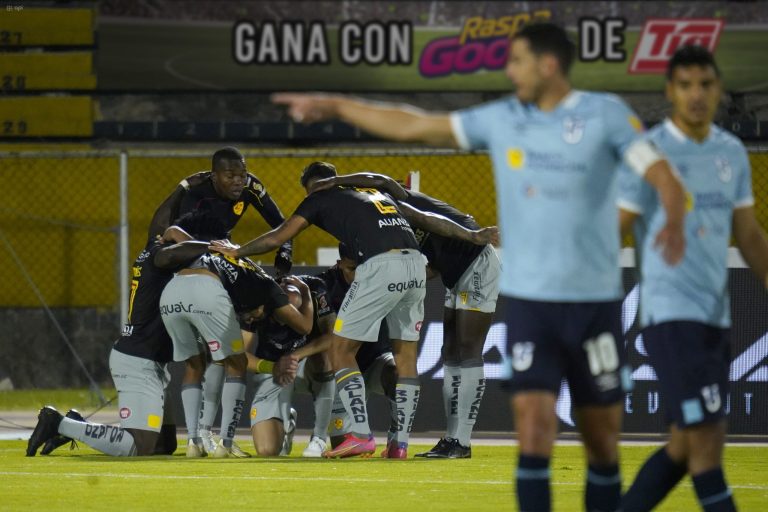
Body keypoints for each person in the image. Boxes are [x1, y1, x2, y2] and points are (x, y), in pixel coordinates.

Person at [273, 22, 687, 511]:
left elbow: (660, 175)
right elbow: (415, 124)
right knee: (530, 424)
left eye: (517, 61)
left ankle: (461, 441)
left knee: (599, 437)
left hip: (563, 285)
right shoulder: (505, 117)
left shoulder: (606, 115)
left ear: (548, 64)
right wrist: (338, 106)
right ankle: (457, 440)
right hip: (530, 294)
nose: (508, 71)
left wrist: (667, 220)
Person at [210, 161, 497, 458]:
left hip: (395, 264)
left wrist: (237, 251)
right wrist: (472, 235)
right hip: (416, 264)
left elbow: (278, 236)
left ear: (312, 186)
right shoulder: (378, 196)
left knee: (341, 349)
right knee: (409, 356)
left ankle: (362, 435)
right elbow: (423, 217)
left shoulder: (319, 197)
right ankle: (399, 445)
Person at [619, 45, 767, 512]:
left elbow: (748, 235)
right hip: (671, 315)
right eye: (686, 85)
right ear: (671, 92)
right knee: (706, 451)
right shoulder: (649, 154)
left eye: (705, 84)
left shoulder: (731, 153)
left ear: (718, 89)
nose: (697, 95)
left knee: (686, 447)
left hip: (715, 319)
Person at [311, 172, 500, 458]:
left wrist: (336, 181)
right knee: (450, 351)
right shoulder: (395, 227)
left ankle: (460, 441)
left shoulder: (402, 202)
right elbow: (434, 265)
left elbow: (381, 180)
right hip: (456, 275)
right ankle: (452, 439)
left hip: (477, 264)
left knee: (468, 350)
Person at [26, 211, 228, 457]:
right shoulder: (163, 256)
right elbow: (176, 240)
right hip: (138, 362)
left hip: (151, 362)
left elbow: (166, 228)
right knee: (138, 446)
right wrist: (216, 247)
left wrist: (184, 187)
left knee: (164, 445)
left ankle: (76, 424)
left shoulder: (162, 254)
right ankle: (56, 422)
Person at [149, 146, 294, 453]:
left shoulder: (252, 187)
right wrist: (209, 248)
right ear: (214, 175)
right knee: (229, 359)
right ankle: (219, 440)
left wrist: (285, 250)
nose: (239, 181)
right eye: (230, 175)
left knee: (205, 359)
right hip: (204, 271)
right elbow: (168, 231)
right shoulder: (194, 194)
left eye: (242, 174)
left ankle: (198, 439)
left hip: (206, 272)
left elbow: (282, 224)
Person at [159, 248, 313, 458]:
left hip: (171, 291)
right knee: (237, 363)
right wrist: (304, 290)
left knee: (195, 364)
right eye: (254, 318)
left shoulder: (242, 282)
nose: (249, 320)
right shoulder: (269, 289)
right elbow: (304, 326)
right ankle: (226, 443)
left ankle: (194, 441)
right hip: (206, 290)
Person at [320, 243, 399, 455]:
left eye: (362, 268)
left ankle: (396, 437)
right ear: (339, 265)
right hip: (341, 371)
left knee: (397, 373)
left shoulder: (383, 282)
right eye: (351, 269)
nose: (357, 275)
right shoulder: (324, 285)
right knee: (341, 444)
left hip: (375, 362)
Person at [244, 277, 336, 457]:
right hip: (273, 372)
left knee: (325, 354)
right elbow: (239, 356)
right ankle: (287, 423)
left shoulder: (317, 290)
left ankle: (319, 438)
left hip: (305, 367)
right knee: (267, 450)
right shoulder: (255, 301)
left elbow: (333, 337)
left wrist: (295, 356)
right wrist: (273, 367)